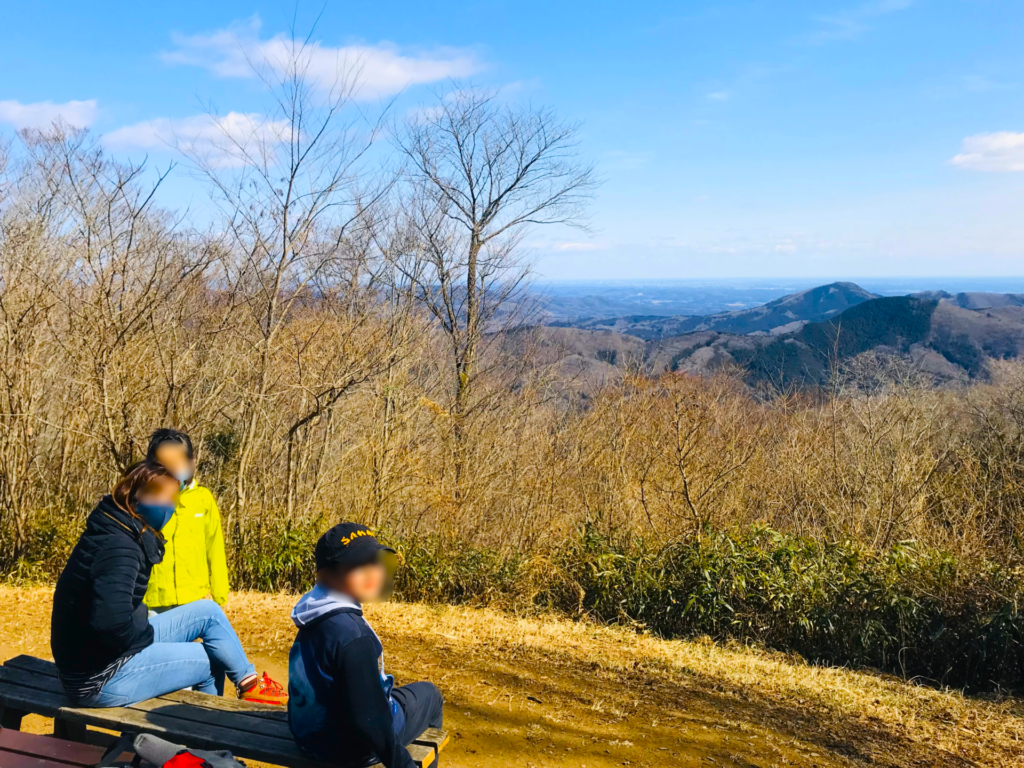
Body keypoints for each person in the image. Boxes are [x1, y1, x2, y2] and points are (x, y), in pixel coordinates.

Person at [50, 460, 287, 707]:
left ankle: (249, 684)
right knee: (213, 660)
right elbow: (109, 624)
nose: (172, 507)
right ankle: (203, 735)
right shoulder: (120, 548)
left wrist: (141, 633)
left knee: (208, 612)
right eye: (169, 499)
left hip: (96, 659)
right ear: (141, 497)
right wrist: (141, 640)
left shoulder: (115, 526)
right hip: (98, 679)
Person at [287, 524, 443, 768]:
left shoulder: (312, 612)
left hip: (309, 738)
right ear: (326, 574)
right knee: (431, 695)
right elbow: (372, 723)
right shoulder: (354, 637)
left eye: (375, 561)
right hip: (351, 750)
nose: (372, 572)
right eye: (357, 565)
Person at [143, 429, 229, 615]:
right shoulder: (144, 499)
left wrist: (219, 595)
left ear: (192, 462)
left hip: (193, 598)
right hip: (153, 599)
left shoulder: (203, 499)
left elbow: (214, 547)